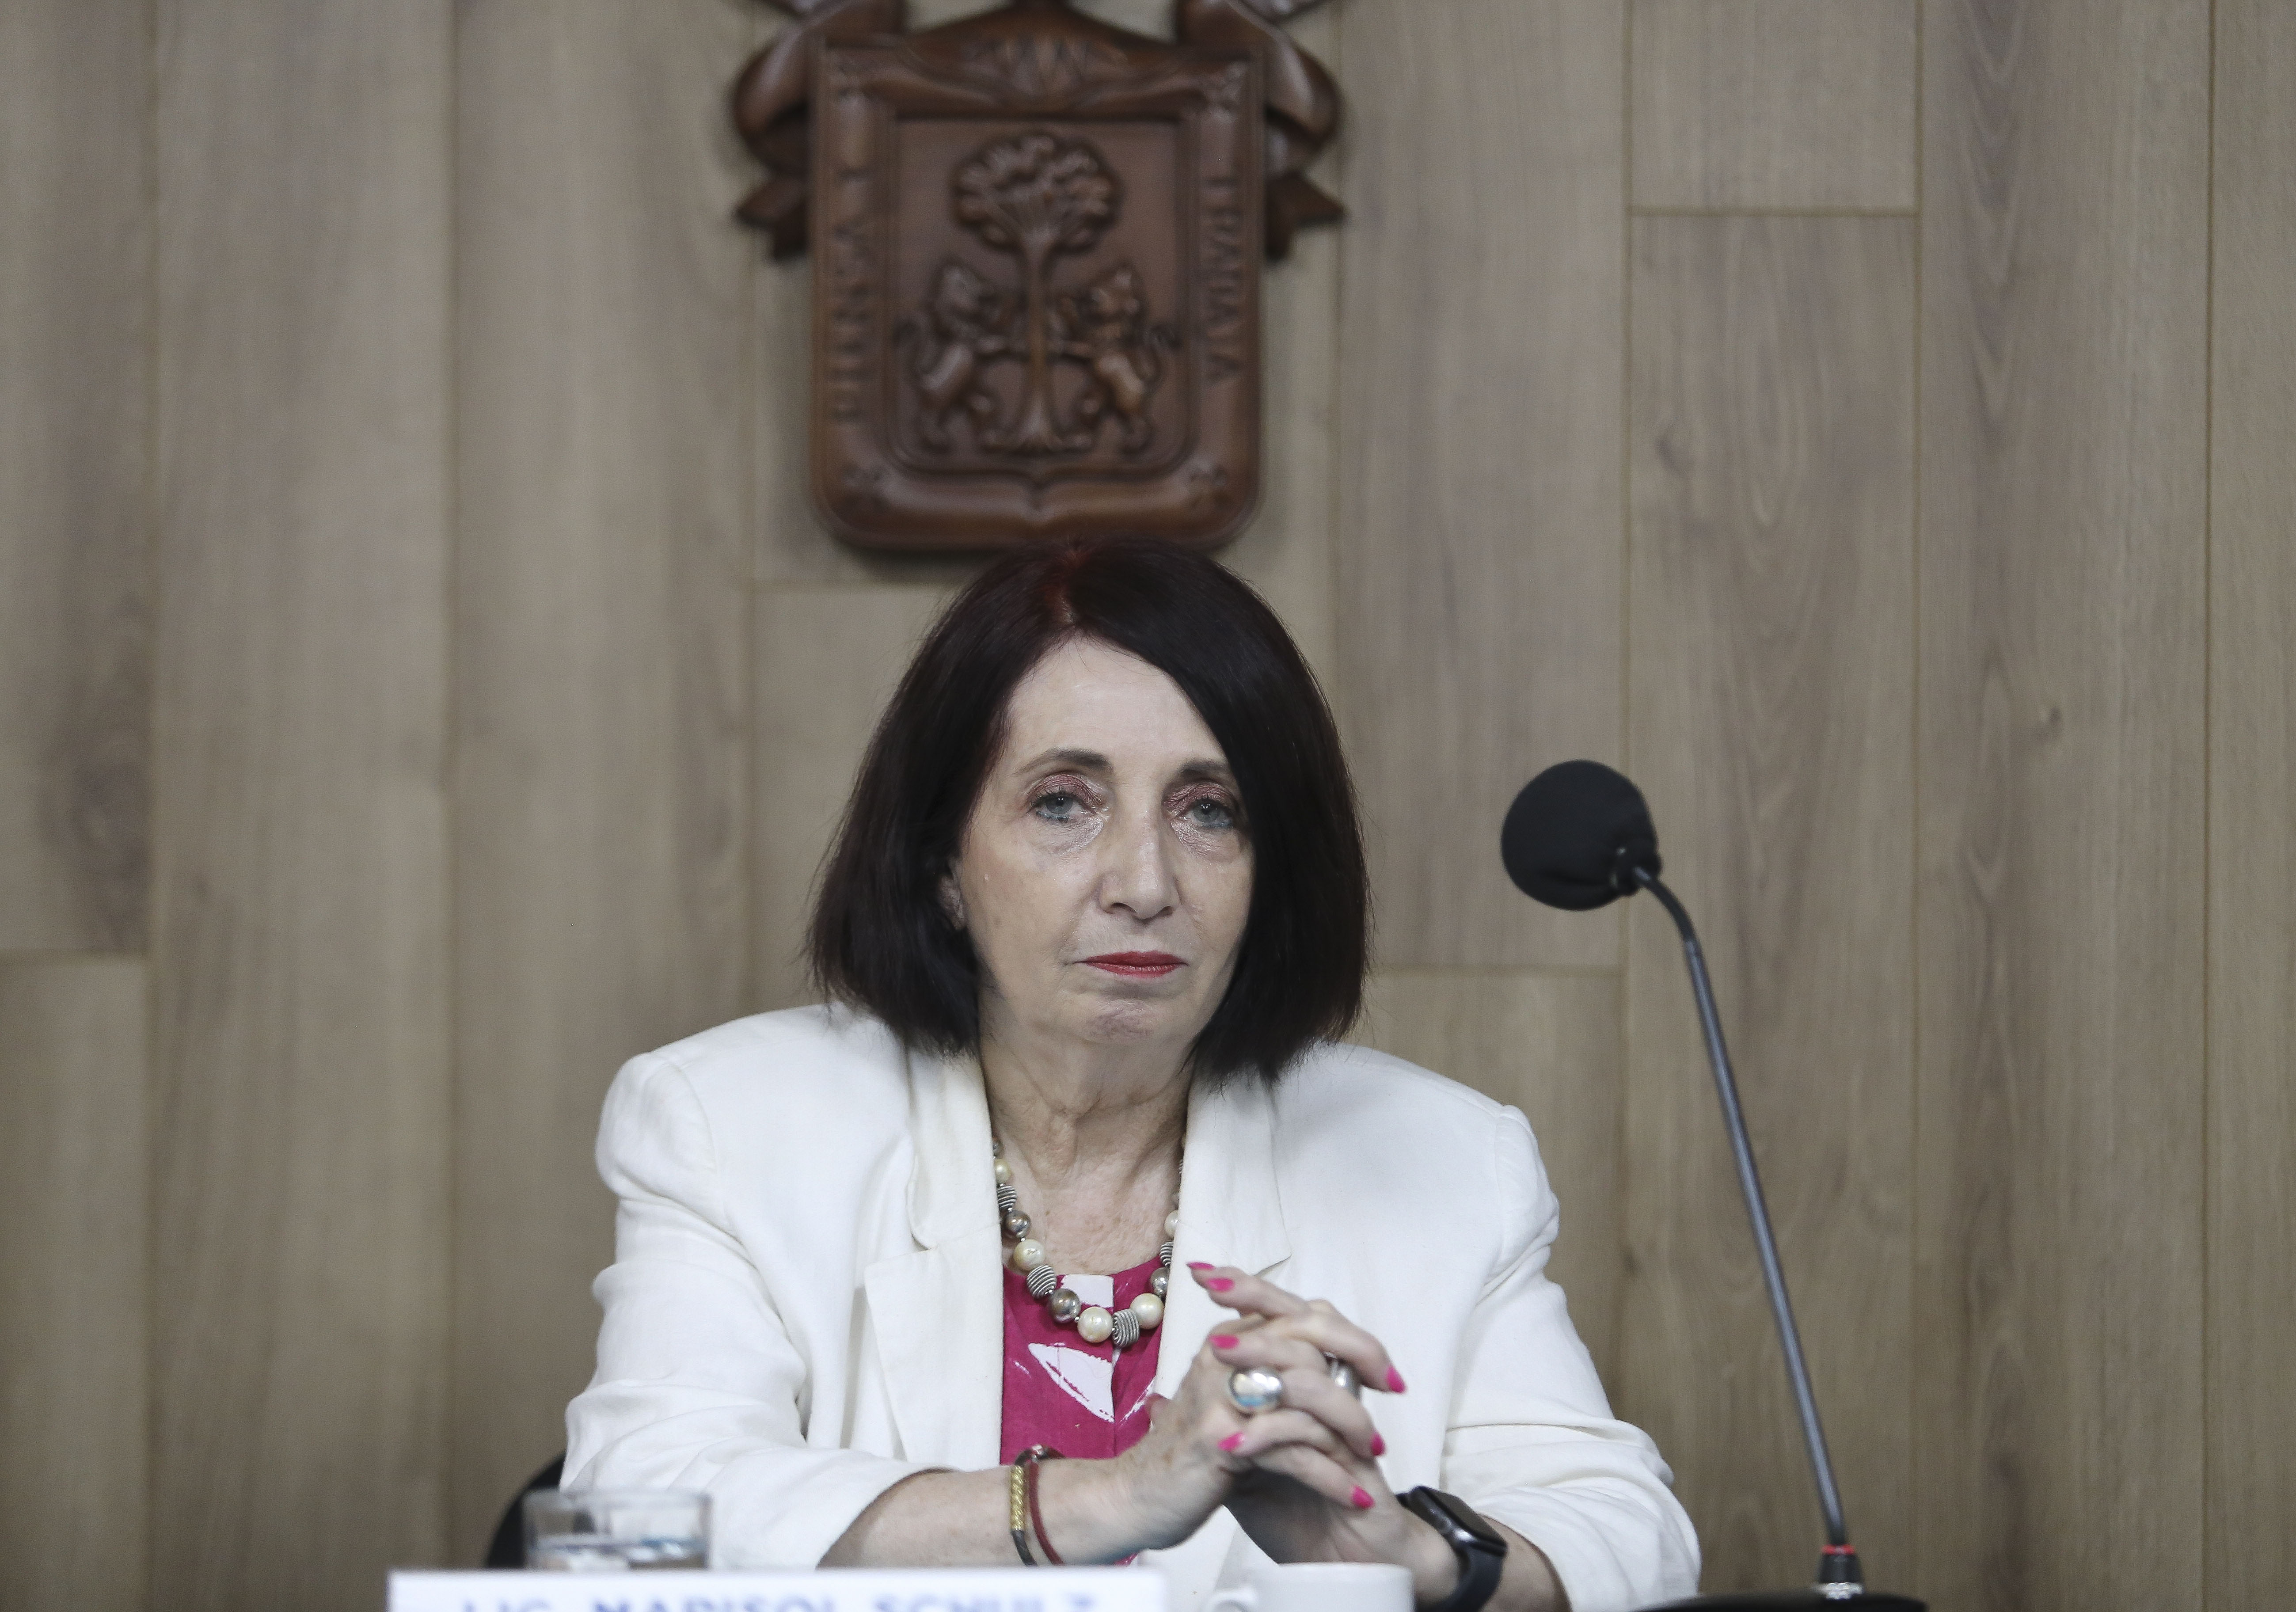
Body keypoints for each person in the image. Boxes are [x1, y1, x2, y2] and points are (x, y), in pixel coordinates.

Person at [564, 536, 1699, 1612]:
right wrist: (1107, 1498)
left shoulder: (1446, 1163)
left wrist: (1411, 1553)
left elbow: (1626, 1530)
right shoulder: (730, 1125)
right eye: (1064, 803)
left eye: (1210, 812)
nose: (1145, 884)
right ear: (943, 862)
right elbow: (644, 1508)